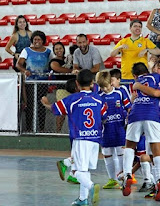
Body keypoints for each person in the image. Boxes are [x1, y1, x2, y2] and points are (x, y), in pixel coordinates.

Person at [41, 69, 107, 206]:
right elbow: (104, 115)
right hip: (95, 139)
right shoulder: (98, 99)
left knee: (76, 171)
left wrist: (46, 103)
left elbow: (55, 109)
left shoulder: (72, 99)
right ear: (92, 83)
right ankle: (83, 199)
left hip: (80, 139)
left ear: (77, 83)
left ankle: (91, 186)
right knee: (85, 170)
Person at [121, 62, 160, 201]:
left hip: (136, 113)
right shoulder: (157, 78)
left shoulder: (133, 83)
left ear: (135, 75)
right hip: (152, 115)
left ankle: (127, 175)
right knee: (156, 148)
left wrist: (138, 85)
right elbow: (159, 90)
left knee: (130, 145)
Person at [95, 70, 131, 189]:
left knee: (121, 153)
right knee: (107, 154)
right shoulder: (99, 97)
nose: (104, 89)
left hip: (119, 128)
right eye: (101, 87)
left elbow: (129, 107)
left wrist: (129, 122)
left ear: (111, 82)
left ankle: (122, 179)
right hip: (106, 130)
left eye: (105, 86)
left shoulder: (120, 93)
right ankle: (112, 179)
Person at [16, 30, 53, 132]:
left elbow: (53, 64)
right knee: (30, 105)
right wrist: (25, 71)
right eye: (35, 39)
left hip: (42, 83)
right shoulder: (26, 50)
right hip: (30, 83)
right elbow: (18, 64)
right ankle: (29, 129)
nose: (37, 41)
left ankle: (41, 129)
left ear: (43, 41)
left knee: (42, 106)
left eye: (39, 39)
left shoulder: (48, 52)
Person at [55, 78, 80, 184]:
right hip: (82, 133)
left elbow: (55, 109)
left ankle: (73, 175)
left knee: (77, 154)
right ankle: (65, 163)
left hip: (73, 132)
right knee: (82, 156)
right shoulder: (81, 98)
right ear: (76, 86)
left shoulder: (69, 99)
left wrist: (46, 104)